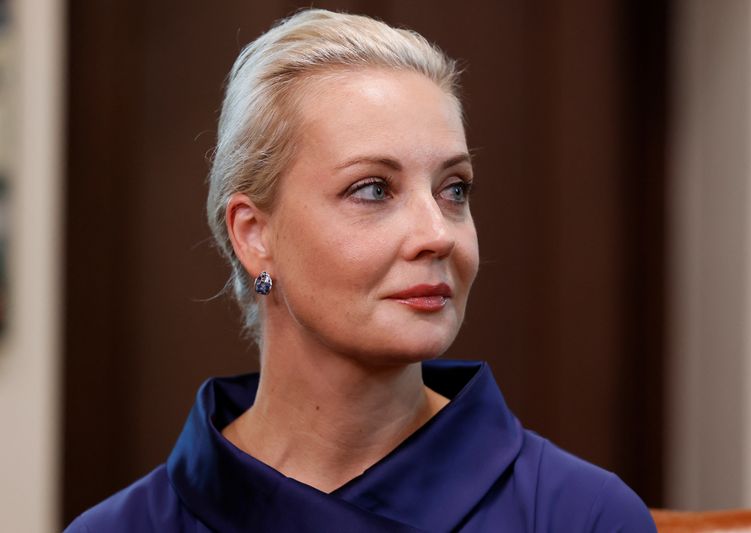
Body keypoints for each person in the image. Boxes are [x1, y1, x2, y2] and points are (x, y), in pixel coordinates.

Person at [66, 9, 657, 532]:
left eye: (454, 189)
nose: (436, 234)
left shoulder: (584, 515)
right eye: (373, 189)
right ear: (254, 235)